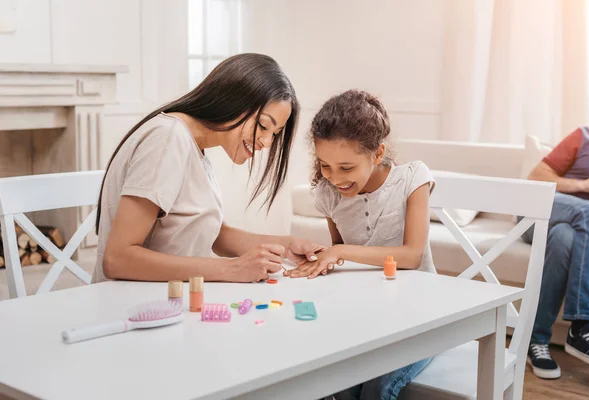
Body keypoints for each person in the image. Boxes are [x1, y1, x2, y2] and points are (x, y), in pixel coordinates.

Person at [93, 53, 324, 284]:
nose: (266, 142)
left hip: (175, 300)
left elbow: (215, 237)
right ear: (234, 100)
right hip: (135, 307)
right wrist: (231, 269)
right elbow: (118, 259)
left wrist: (285, 247)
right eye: (263, 126)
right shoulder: (168, 138)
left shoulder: (195, 148)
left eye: (274, 134)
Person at [287, 90, 434, 399]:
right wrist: (322, 260)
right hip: (362, 319)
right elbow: (344, 262)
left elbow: (411, 256)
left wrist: (338, 251)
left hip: (419, 319)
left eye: (346, 167)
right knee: (332, 381)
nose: (334, 178)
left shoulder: (412, 179)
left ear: (377, 154)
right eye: (325, 166)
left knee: (377, 387)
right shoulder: (326, 194)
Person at [524, 126, 589, 379]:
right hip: (540, 211)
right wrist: (586, 185)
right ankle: (580, 324)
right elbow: (535, 179)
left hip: (575, 230)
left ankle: (537, 342)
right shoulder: (587, 137)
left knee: (564, 239)